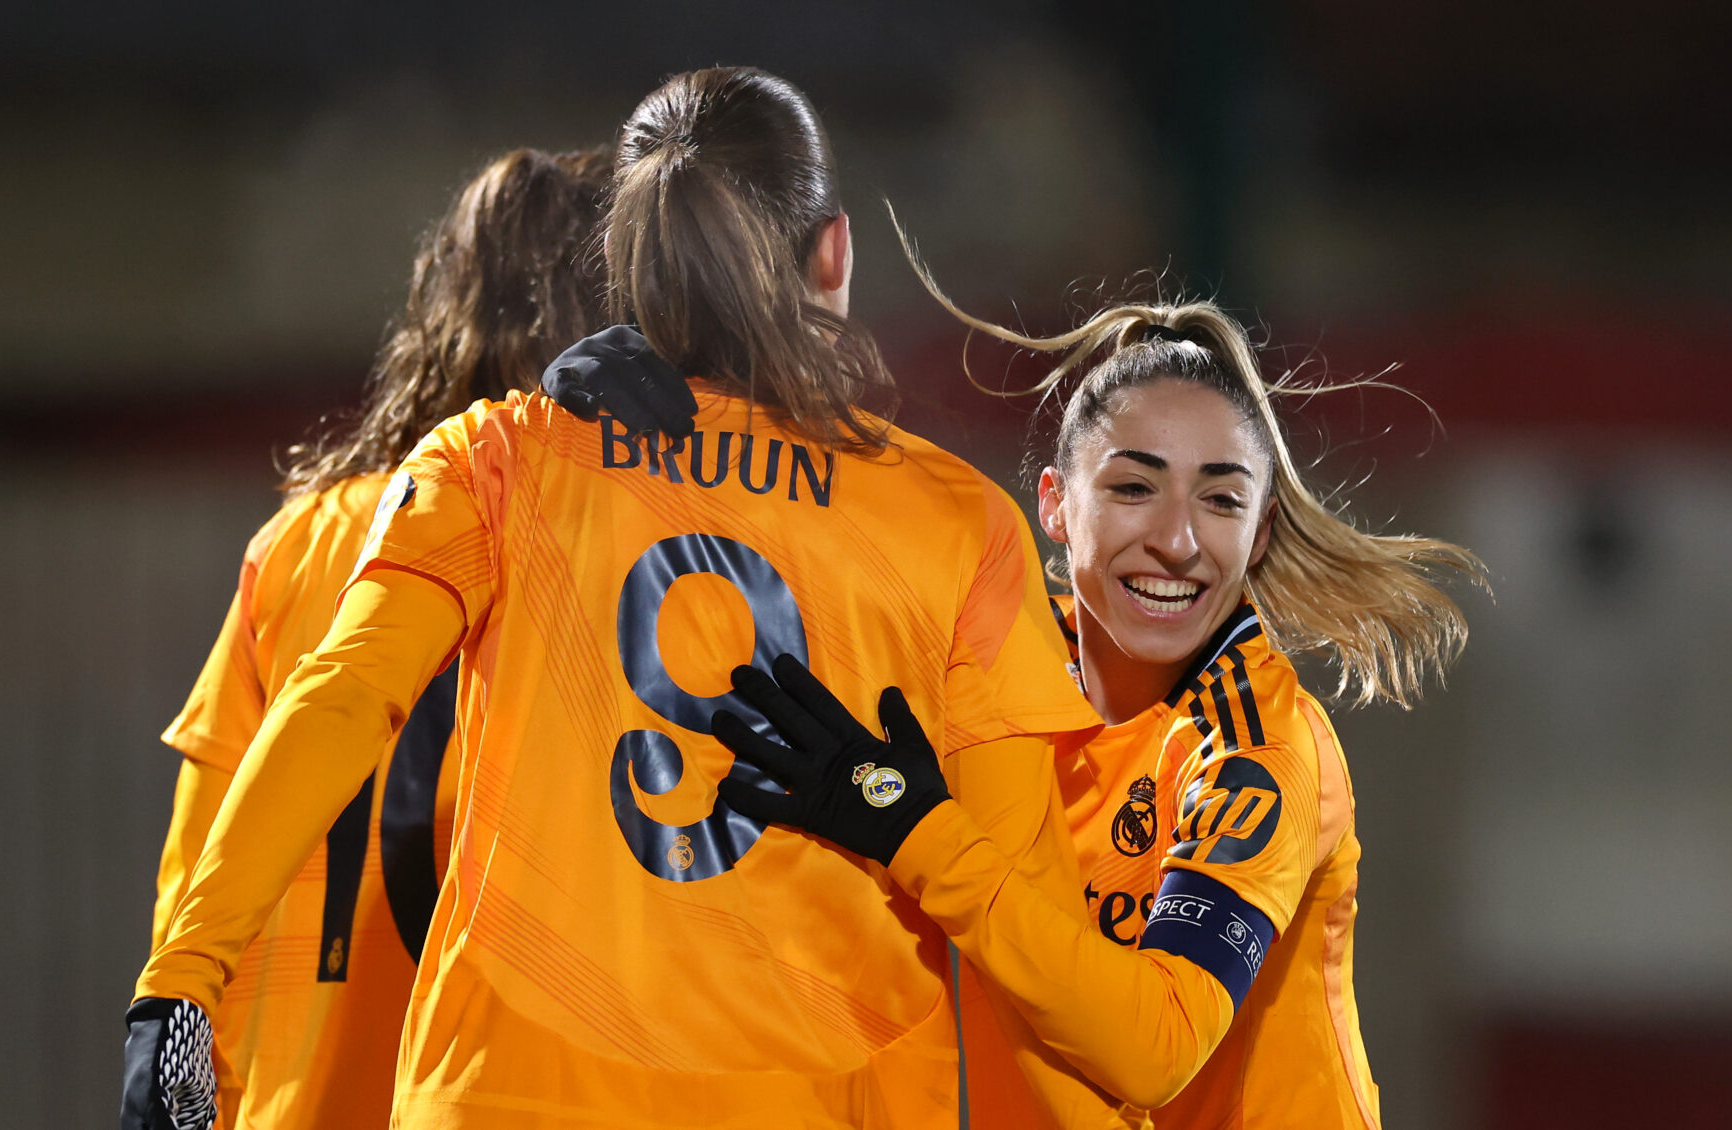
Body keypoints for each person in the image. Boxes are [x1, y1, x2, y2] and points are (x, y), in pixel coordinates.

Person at [123, 66, 1099, 1130]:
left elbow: (343, 696)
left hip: (502, 1092)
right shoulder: (954, 525)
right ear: (836, 251)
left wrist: (182, 976)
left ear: (624, 272)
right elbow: (1028, 940)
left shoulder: (493, 461)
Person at [559, 293, 1486, 1127]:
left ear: (1262, 531)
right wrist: (629, 456)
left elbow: (1154, 1048)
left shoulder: (1260, 750)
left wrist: (917, 832)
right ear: (1054, 503)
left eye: (1220, 500)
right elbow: (753, 618)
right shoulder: (986, 662)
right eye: (1133, 487)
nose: (1176, 540)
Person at [137, 146, 613, 1130]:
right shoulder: (626, 547)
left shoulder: (301, 544)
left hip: (302, 1101)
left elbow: (198, 874)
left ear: (443, 310)